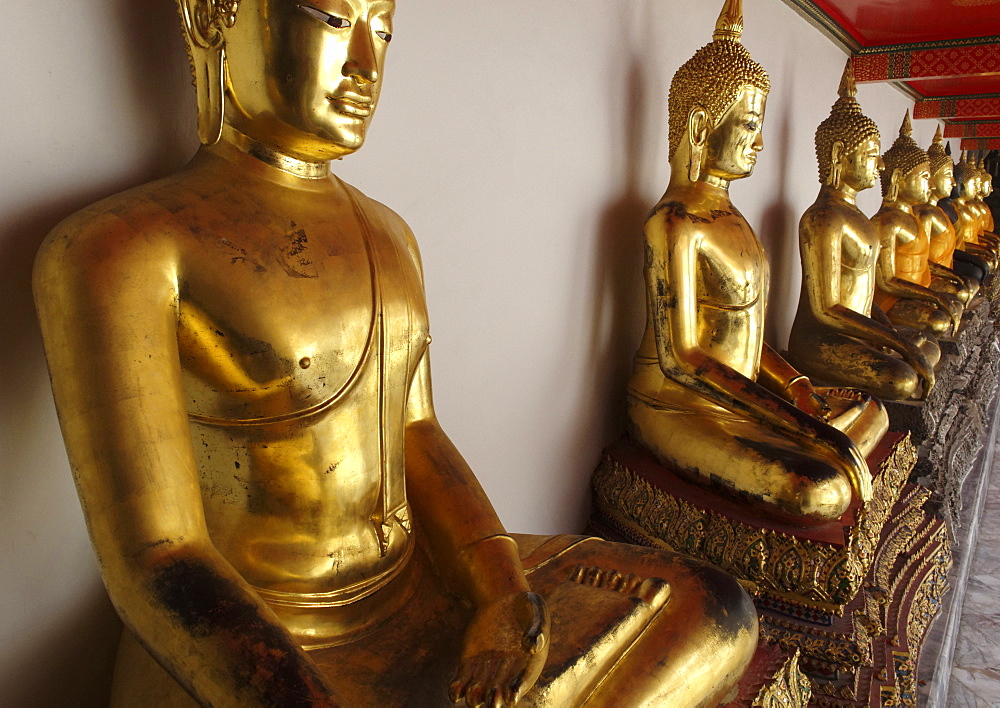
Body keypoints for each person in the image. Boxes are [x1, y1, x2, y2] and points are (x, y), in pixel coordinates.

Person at [33, 1, 757, 705]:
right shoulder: (123, 248)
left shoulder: (390, 235)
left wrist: (502, 593)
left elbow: (416, 433)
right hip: (269, 640)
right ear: (213, 16)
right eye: (332, 20)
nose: (364, 64)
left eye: (384, 31)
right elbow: (159, 560)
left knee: (711, 608)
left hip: (421, 586)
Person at [627, 1, 887, 527]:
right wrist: (800, 426)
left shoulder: (736, 221)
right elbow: (683, 359)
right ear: (701, 125)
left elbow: (743, 338)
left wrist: (797, 389)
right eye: (749, 124)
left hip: (737, 396)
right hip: (675, 404)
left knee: (871, 409)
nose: (761, 142)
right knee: (820, 490)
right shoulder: (674, 222)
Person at [787, 62, 938, 401]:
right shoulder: (823, 218)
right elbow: (826, 309)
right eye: (871, 155)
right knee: (902, 380)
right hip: (821, 339)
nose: (880, 165)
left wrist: (891, 333)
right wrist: (896, 343)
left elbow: (867, 294)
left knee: (927, 347)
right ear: (840, 155)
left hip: (856, 333)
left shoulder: (859, 217)